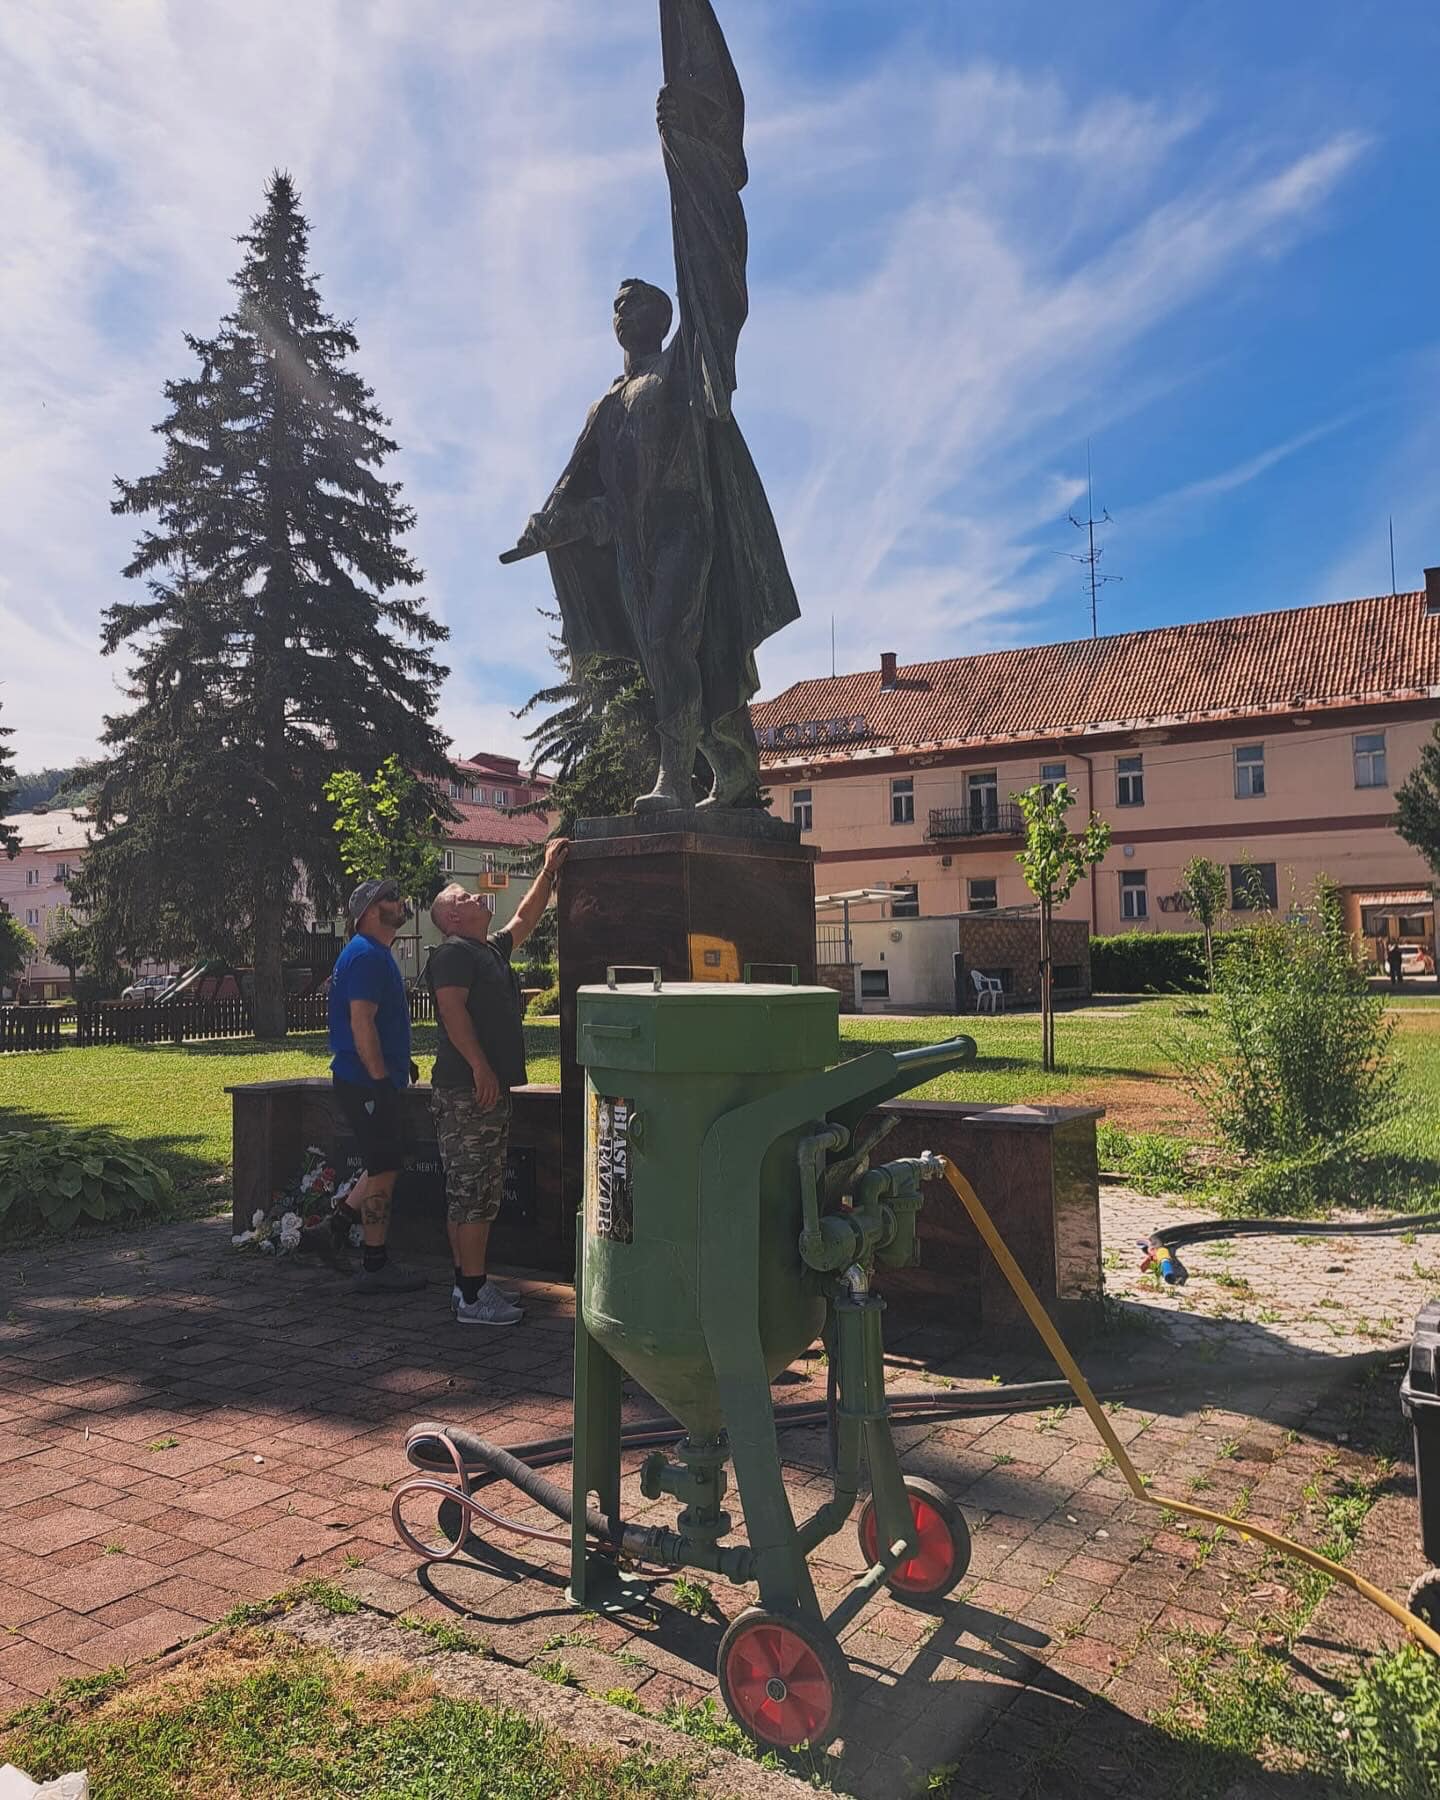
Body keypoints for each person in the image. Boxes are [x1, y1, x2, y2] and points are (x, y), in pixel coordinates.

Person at [427, 840, 570, 1326]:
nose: (474, 896)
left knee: (475, 1191)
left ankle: (467, 1283)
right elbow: (451, 1011)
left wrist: (547, 872)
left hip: (481, 1091)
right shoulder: (453, 953)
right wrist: (480, 1067)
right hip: (467, 1092)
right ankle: (473, 1297)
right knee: (473, 1192)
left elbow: (525, 919)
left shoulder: (485, 949)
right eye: (463, 897)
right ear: (452, 918)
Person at [322, 878, 426, 1294]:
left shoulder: (373, 953)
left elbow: (377, 1024)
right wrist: (381, 1080)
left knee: (389, 1158)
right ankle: (375, 1264)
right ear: (367, 912)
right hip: (366, 1082)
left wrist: (398, 1062)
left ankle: (335, 1226)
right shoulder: (366, 955)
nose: (399, 902)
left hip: (371, 1077)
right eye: (390, 898)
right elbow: (361, 1022)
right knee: (384, 1168)